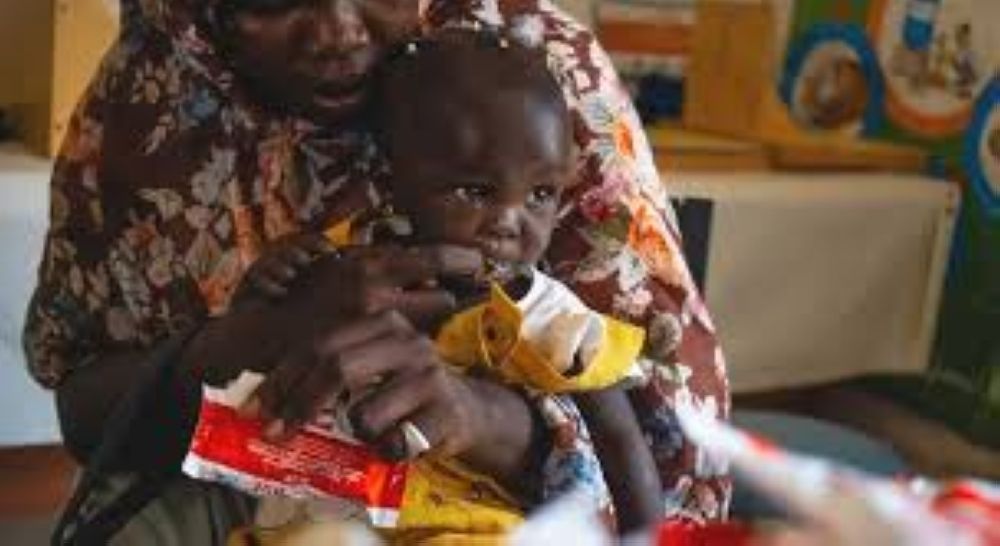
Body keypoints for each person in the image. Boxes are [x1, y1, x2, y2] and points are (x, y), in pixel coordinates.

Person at [23, 0, 729, 543]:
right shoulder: (155, 88)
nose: (335, 31)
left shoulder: (536, 75)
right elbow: (88, 418)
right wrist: (249, 340)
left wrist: (479, 417)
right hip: (252, 502)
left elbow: (680, 473)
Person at [230, 28, 662, 540]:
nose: (509, 221)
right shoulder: (342, 267)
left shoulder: (546, 314)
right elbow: (250, 353)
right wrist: (267, 285)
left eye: (541, 194)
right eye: (475, 191)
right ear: (391, 179)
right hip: (326, 518)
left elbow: (620, 442)